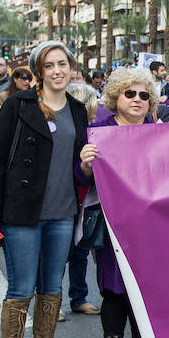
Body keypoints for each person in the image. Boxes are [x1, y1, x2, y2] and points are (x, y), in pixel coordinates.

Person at [0, 41, 89, 338]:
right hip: (22, 213)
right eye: (50, 65)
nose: (58, 71)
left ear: (71, 68)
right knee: (22, 289)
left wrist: (85, 165)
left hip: (62, 212)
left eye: (63, 64)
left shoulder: (77, 109)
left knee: (52, 290)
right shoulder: (17, 105)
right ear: (39, 70)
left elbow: (78, 165)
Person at [77, 67, 163, 338]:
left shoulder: (160, 131)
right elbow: (79, 177)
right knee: (114, 290)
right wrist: (85, 164)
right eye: (130, 93)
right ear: (116, 97)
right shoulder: (99, 131)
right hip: (113, 225)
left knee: (147, 288)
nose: (137, 99)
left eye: (144, 94)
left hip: (152, 228)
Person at [62, 83, 102, 318]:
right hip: (63, 201)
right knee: (58, 254)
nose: (95, 115)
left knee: (80, 250)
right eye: (90, 110)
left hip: (85, 200)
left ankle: (79, 297)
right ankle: (52, 300)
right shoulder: (64, 131)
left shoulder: (93, 131)